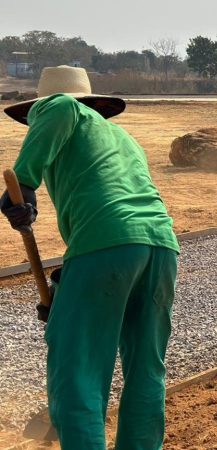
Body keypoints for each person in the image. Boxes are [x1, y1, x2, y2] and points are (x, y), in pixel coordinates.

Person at [1, 66, 180, 449]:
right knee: (146, 369)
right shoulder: (123, 139)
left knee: (78, 368)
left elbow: (61, 107)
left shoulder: (61, 107)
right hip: (160, 248)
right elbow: (120, 212)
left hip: (106, 244)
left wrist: (26, 183)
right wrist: (67, 289)